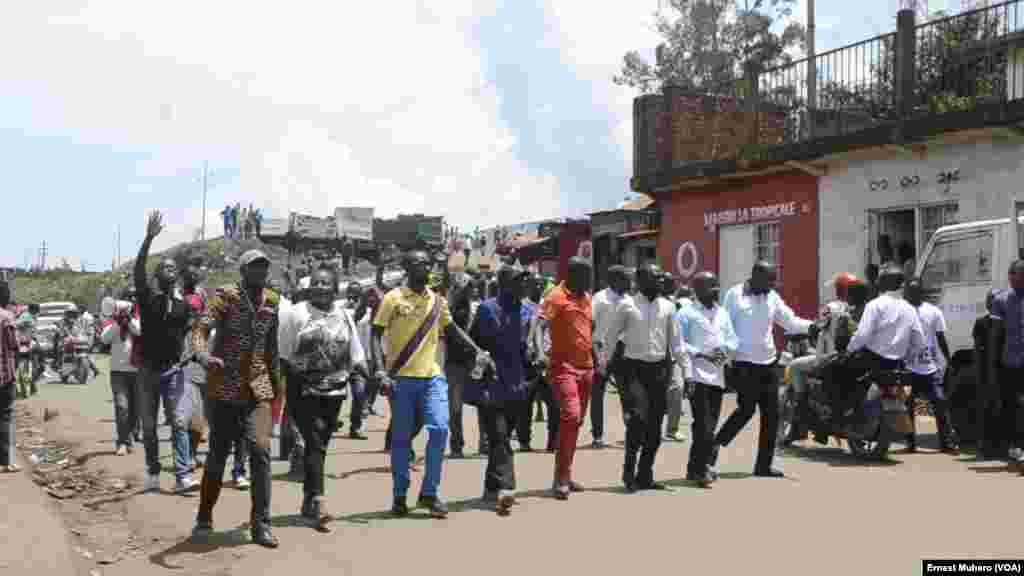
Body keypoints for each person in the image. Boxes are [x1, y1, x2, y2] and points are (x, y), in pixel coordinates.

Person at [371, 249, 490, 518]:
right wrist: (380, 371)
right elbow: (375, 335)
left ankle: (429, 492)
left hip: (432, 376)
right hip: (401, 378)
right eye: (420, 263)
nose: (426, 268)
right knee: (401, 439)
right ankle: (400, 495)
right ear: (407, 268)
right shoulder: (393, 299)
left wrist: (478, 351)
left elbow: (453, 331)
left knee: (439, 429)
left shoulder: (437, 302)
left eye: (428, 264)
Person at [191, 249, 282, 548]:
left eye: (263, 267)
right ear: (243, 271)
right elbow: (201, 328)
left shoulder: (272, 300)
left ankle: (262, 524)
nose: (260, 272)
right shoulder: (226, 296)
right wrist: (203, 355)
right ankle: (204, 515)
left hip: (258, 388)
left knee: (261, 453)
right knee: (218, 456)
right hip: (226, 386)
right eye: (254, 267)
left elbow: (271, 347)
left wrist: (278, 386)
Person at [279, 265, 367, 532]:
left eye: (325, 283)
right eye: (315, 282)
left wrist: (375, 378)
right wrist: (295, 378)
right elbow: (282, 355)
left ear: (334, 287)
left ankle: (308, 496)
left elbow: (356, 354)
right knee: (315, 438)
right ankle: (319, 501)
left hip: (335, 392)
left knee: (320, 444)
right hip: (302, 390)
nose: (320, 287)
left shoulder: (344, 315)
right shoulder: (295, 314)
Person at [712, 262, 819, 478]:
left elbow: (789, 321)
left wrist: (813, 326)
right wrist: (725, 360)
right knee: (746, 410)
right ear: (755, 276)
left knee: (772, 415)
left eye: (774, 280)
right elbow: (723, 327)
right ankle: (716, 443)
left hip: (768, 363)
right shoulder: (734, 295)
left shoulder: (772, 297)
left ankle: (763, 466)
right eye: (769, 280)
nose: (772, 284)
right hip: (743, 364)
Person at [134, 211, 198, 494]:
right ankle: (152, 471)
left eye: (174, 267)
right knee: (149, 427)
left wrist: (189, 354)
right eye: (165, 266)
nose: (169, 269)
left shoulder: (184, 306)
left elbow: (186, 334)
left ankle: (183, 474)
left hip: (173, 370)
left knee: (179, 423)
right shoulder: (148, 299)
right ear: (157, 276)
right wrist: (148, 239)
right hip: (147, 371)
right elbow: (138, 270)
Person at [607, 264, 685, 491]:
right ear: (641, 281)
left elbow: (677, 344)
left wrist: (686, 372)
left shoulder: (669, 307)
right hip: (633, 370)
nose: (661, 280)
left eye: (662, 277)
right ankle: (628, 473)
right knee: (637, 422)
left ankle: (645, 475)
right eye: (656, 277)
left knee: (654, 427)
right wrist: (603, 364)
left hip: (659, 370)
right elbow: (610, 337)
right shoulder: (626, 305)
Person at [469, 266, 535, 513]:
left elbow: (527, 347)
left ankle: (490, 487)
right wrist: (482, 361)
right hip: (491, 384)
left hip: (517, 385)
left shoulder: (527, 311)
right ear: (505, 284)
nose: (522, 286)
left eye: (524, 282)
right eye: (517, 282)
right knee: (499, 437)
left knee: (502, 436)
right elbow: (472, 342)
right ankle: (507, 487)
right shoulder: (487, 309)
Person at [536, 257, 595, 499]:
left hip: (587, 367)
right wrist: (540, 351)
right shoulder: (555, 296)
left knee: (576, 422)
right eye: (586, 275)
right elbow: (539, 325)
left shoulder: (587, 298)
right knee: (570, 416)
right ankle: (561, 478)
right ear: (573, 275)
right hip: (563, 367)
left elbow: (588, 327)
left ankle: (566, 475)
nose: (590, 280)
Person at [843, 265, 925, 430]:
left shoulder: (875, 305)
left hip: (871, 360)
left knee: (838, 373)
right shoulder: (910, 308)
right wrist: (909, 358)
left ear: (882, 283)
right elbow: (919, 341)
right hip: (898, 364)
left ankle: (846, 414)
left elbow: (863, 335)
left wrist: (848, 350)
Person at [679, 272, 736, 488]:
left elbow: (732, 339)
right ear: (699, 289)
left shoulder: (722, 313)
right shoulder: (686, 313)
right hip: (696, 376)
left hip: (717, 377)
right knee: (704, 426)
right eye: (712, 286)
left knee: (707, 426)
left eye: (717, 286)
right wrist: (702, 354)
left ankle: (694, 469)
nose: (716, 290)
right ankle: (702, 468)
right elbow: (679, 343)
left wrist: (725, 351)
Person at [785, 272, 858, 442]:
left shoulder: (830, 308)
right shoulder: (859, 307)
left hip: (828, 357)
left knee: (795, 366)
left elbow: (817, 328)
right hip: (851, 357)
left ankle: (800, 412)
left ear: (838, 289)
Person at [903, 278, 958, 453]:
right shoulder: (902, 312)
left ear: (921, 292)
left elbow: (941, 337)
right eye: (908, 292)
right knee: (907, 405)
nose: (910, 295)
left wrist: (949, 360)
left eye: (913, 291)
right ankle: (910, 442)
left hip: (930, 367)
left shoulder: (934, 312)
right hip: (908, 367)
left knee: (940, 402)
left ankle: (945, 441)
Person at [987, 260, 1024, 466]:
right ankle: (1013, 446)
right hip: (1010, 362)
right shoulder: (1001, 301)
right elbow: (995, 336)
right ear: (1011, 276)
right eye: (1021, 274)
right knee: (1010, 405)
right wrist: (993, 367)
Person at [590, 265, 631, 449]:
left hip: (622, 351)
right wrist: (596, 354)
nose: (630, 282)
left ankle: (631, 432)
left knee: (627, 394)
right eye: (626, 279)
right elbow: (590, 324)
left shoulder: (629, 300)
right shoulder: (600, 299)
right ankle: (598, 436)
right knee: (598, 394)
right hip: (601, 350)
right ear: (614, 280)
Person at [101, 298, 141, 456]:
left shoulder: (136, 320)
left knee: (135, 408)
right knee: (121, 407)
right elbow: (104, 338)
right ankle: (122, 442)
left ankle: (130, 435)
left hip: (137, 371)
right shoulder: (112, 324)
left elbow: (139, 331)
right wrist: (118, 323)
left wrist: (129, 320)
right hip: (118, 372)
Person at [973, 288, 1002, 459]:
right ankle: (983, 449)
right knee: (984, 410)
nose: (991, 303)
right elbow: (977, 350)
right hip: (985, 375)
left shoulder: (1006, 322)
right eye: (990, 300)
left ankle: (999, 448)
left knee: (1001, 410)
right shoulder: (981, 323)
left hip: (1002, 374)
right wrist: (979, 374)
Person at [663, 273, 691, 442]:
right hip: (653, 356)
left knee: (677, 389)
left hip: (673, 356)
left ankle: (672, 429)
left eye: (672, 283)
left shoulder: (677, 304)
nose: (671, 285)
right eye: (668, 283)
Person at [0, 276, 20, 473]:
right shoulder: (6, 317)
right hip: (4, 375)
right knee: (5, 417)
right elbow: (14, 344)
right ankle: (5, 462)